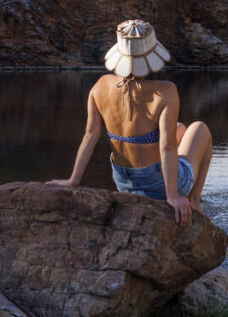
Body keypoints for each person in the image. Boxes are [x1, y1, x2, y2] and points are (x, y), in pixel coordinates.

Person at [49, 19, 212, 225]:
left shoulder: (100, 85)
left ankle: (180, 193)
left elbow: (90, 136)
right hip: (157, 184)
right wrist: (172, 196)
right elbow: (167, 145)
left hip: (123, 181)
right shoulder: (165, 91)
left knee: (180, 129)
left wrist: (73, 181)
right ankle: (194, 201)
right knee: (200, 128)